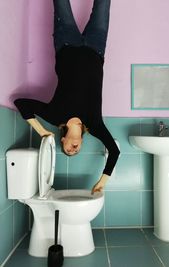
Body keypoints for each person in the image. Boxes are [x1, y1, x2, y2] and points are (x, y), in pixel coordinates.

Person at [14, 0, 120, 193]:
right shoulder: (95, 124)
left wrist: (42, 132)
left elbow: (21, 103)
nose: (73, 150)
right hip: (96, 48)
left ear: (62, 141)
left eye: (68, 150)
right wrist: (102, 182)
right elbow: (114, 151)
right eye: (76, 151)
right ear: (80, 144)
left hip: (66, 43)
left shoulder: (55, 116)